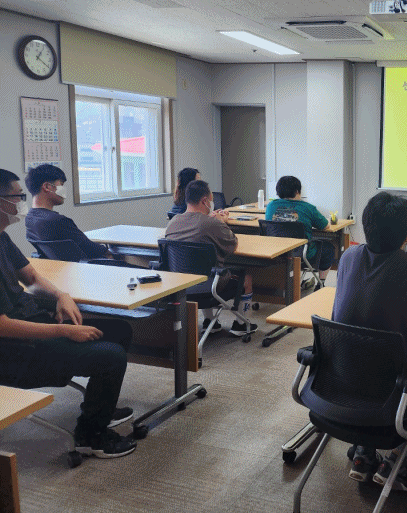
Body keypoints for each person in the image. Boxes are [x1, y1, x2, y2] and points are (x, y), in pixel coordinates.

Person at [0, 169, 136, 458]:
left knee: (120, 331)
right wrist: (64, 331)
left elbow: (32, 278)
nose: (22, 202)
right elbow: (3, 326)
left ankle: (98, 408)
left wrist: (61, 296)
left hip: (33, 324)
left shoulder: (2, 239)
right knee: (110, 356)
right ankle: (91, 437)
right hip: (13, 349)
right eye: (17, 196)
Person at [332, 192, 407, 491]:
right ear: (406, 234)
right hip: (389, 387)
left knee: (366, 366)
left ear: (366, 226)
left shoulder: (348, 256)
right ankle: (395, 460)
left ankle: (364, 451)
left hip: (339, 380)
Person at [165, 180, 256, 336]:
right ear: (205, 201)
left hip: (181, 286)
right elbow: (233, 244)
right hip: (209, 287)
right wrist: (221, 222)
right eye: (211, 200)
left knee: (200, 271)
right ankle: (241, 325)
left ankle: (209, 321)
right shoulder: (212, 224)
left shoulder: (172, 223)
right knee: (246, 277)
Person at [24, 163, 114, 261]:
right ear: (47, 187)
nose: (64, 190)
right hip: (86, 268)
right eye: (61, 184)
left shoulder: (30, 218)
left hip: (61, 268)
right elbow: (92, 249)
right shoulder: (59, 221)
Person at [264, 176, 335, 287]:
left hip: (276, 252)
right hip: (301, 253)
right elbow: (325, 226)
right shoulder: (308, 208)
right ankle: (321, 284)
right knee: (329, 248)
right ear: (297, 191)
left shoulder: (271, 206)